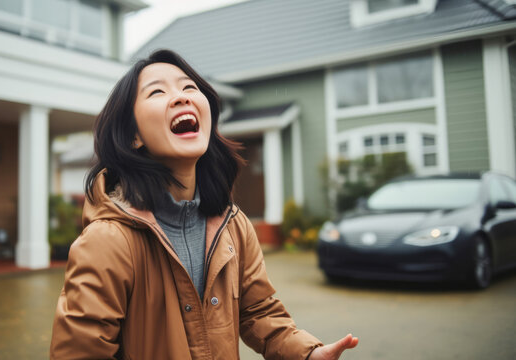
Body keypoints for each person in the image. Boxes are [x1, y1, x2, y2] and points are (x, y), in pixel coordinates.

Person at [50, 49, 358, 360]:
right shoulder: (107, 241)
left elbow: (257, 311)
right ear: (133, 136)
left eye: (189, 87)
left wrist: (306, 354)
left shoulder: (234, 224)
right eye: (157, 91)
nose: (182, 97)